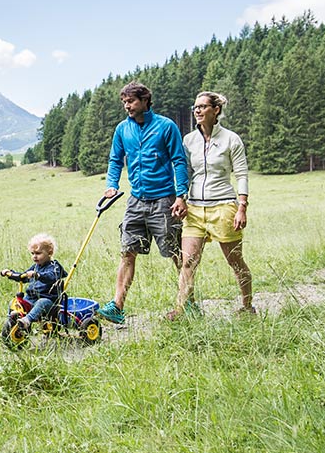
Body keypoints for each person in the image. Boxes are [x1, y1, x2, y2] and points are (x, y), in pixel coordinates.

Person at [98, 81, 189, 324]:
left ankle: (187, 304)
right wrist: (112, 184)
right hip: (136, 201)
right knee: (127, 252)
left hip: (164, 201)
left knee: (176, 254)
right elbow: (115, 159)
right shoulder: (122, 129)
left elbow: (179, 161)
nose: (127, 106)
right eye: (124, 102)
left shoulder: (166, 126)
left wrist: (181, 195)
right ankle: (117, 306)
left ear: (145, 101)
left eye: (131, 101)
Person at [170, 91, 254, 319]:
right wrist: (181, 198)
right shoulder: (189, 141)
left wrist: (242, 206)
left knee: (235, 261)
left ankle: (247, 307)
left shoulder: (231, 139)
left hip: (224, 207)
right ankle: (182, 309)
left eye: (203, 107)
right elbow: (184, 172)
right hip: (195, 209)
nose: (197, 111)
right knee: (187, 262)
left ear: (215, 110)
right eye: (195, 107)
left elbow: (242, 173)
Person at [0, 233, 68, 331]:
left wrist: (38, 275)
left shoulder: (54, 266)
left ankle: (27, 320)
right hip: (31, 299)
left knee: (42, 302)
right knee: (14, 302)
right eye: (32, 254)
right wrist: (10, 273)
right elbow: (23, 276)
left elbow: (51, 277)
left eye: (38, 253)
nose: (34, 256)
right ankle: (13, 322)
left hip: (50, 302)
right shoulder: (36, 267)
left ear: (50, 252)